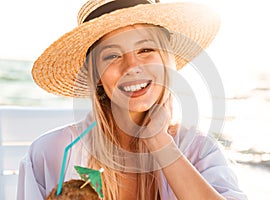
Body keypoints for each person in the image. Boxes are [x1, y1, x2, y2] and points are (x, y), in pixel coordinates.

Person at [17, 0, 247, 199]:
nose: (132, 67)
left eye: (146, 50)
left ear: (167, 60)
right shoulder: (52, 152)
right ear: (96, 74)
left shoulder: (199, 150)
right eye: (112, 55)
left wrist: (159, 142)